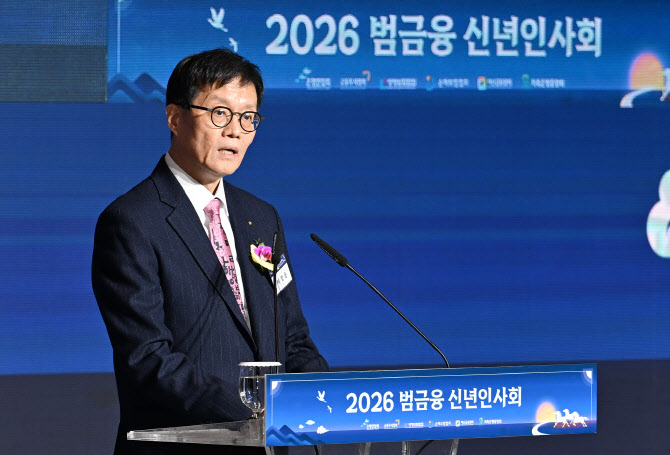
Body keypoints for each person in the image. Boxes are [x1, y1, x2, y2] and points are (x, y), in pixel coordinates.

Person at [92, 48, 328, 455]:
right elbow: (148, 359)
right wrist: (256, 412)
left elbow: (292, 338)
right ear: (174, 117)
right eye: (220, 113)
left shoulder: (262, 217)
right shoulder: (131, 221)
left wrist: (326, 397)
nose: (235, 131)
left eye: (248, 117)